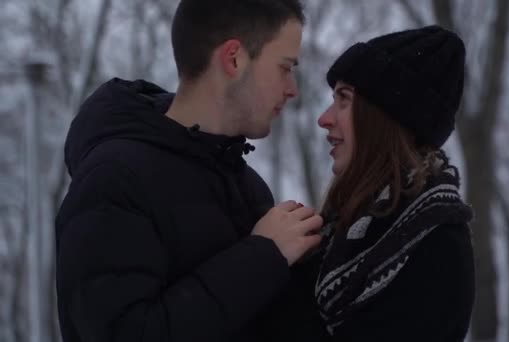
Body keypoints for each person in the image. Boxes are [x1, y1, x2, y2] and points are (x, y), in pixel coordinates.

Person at [54, 1, 323, 341]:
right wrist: (263, 256)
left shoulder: (247, 186)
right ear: (234, 59)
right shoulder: (113, 180)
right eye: (285, 67)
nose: (292, 89)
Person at [311, 25, 475, 341]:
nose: (324, 118)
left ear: (383, 116)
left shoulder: (437, 245)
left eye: (343, 99)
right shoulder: (343, 226)